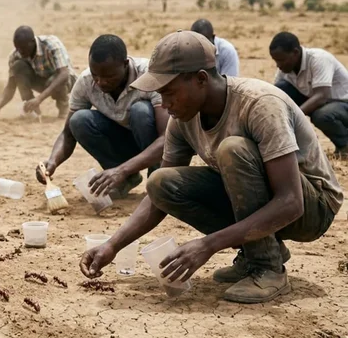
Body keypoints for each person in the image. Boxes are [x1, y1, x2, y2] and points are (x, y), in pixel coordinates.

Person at [80, 30, 342, 304]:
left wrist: (208, 245)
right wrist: (112, 245)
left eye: (169, 93)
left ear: (201, 79)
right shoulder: (182, 118)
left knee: (233, 149)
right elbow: (157, 198)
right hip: (269, 200)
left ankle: (267, 267)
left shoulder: (259, 104)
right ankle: (257, 251)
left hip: (313, 207)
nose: (164, 104)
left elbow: (291, 202)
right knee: (160, 182)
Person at [36, 35, 169, 199]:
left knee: (140, 111)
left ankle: (157, 179)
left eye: (109, 77)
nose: (100, 82)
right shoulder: (85, 81)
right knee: (78, 120)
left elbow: (166, 139)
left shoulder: (149, 76)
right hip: (125, 143)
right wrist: (53, 161)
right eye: (95, 75)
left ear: (125, 64)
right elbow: (67, 134)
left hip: (152, 143)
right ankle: (124, 179)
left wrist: (123, 169)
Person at [270, 31, 348, 157]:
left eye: (281, 60)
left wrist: (294, 117)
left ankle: (345, 146)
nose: (278, 65)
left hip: (342, 103)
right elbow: (275, 94)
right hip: (318, 100)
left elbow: (322, 95)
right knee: (280, 91)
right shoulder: (286, 68)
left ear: (295, 52)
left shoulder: (319, 59)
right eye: (276, 61)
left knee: (322, 115)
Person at [0, 26, 76, 119]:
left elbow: (64, 74)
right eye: (18, 48)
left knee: (57, 78)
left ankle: (64, 108)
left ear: (33, 42)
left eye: (23, 48)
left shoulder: (51, 44)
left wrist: (39, 99)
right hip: (42, 80)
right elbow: (11, 86)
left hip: (66, 81)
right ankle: (31, 108)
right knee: (18, 66)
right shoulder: (15, 55)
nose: (21, 52)